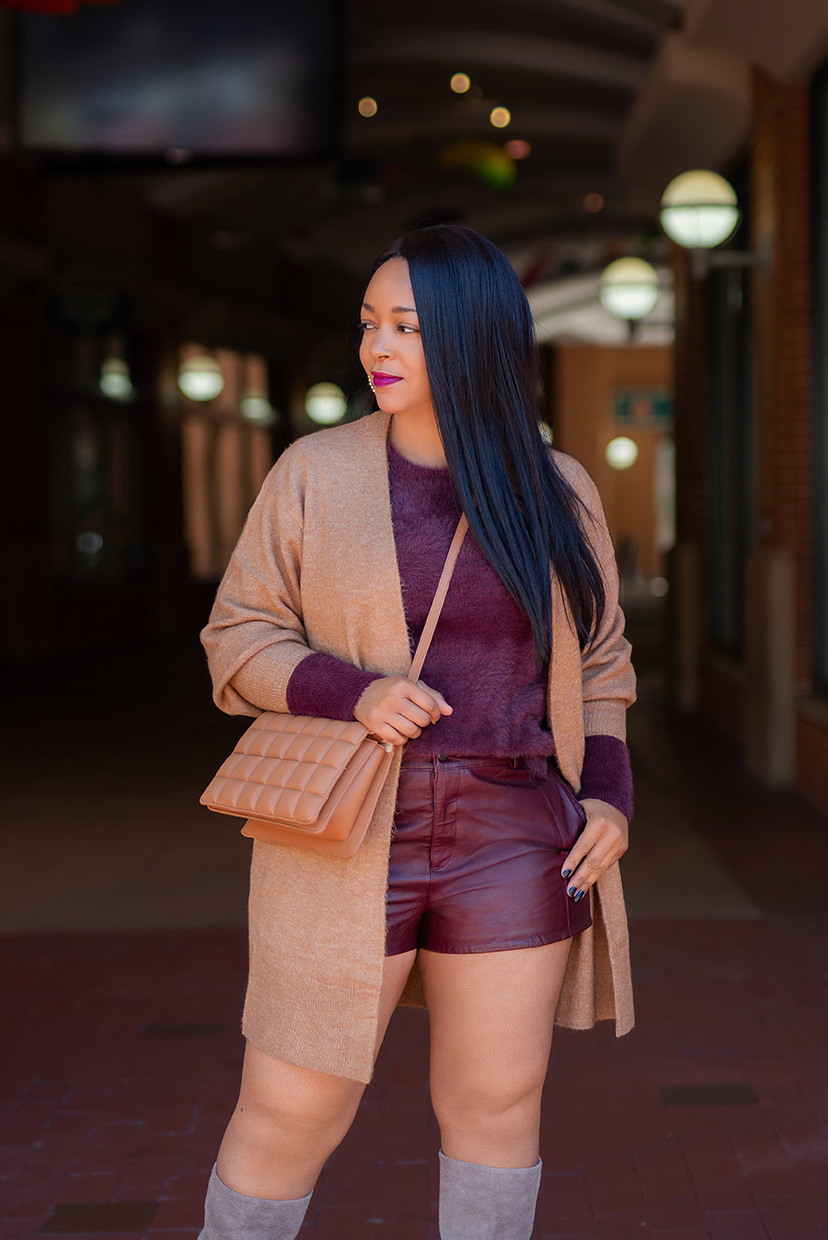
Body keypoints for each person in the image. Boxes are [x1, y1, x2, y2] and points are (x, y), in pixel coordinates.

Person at [198, 224, 636, 1240]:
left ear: (473, 338)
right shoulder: (314, 472)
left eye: (406, 325)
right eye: (368, 323)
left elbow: (604, 657)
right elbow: (236, 633)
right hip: (343, 826)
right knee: (291, 1107)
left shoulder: (556, 487)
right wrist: (345, 688)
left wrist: (609, 792)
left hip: (514, 830)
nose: (376, 346)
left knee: (493, 1107)